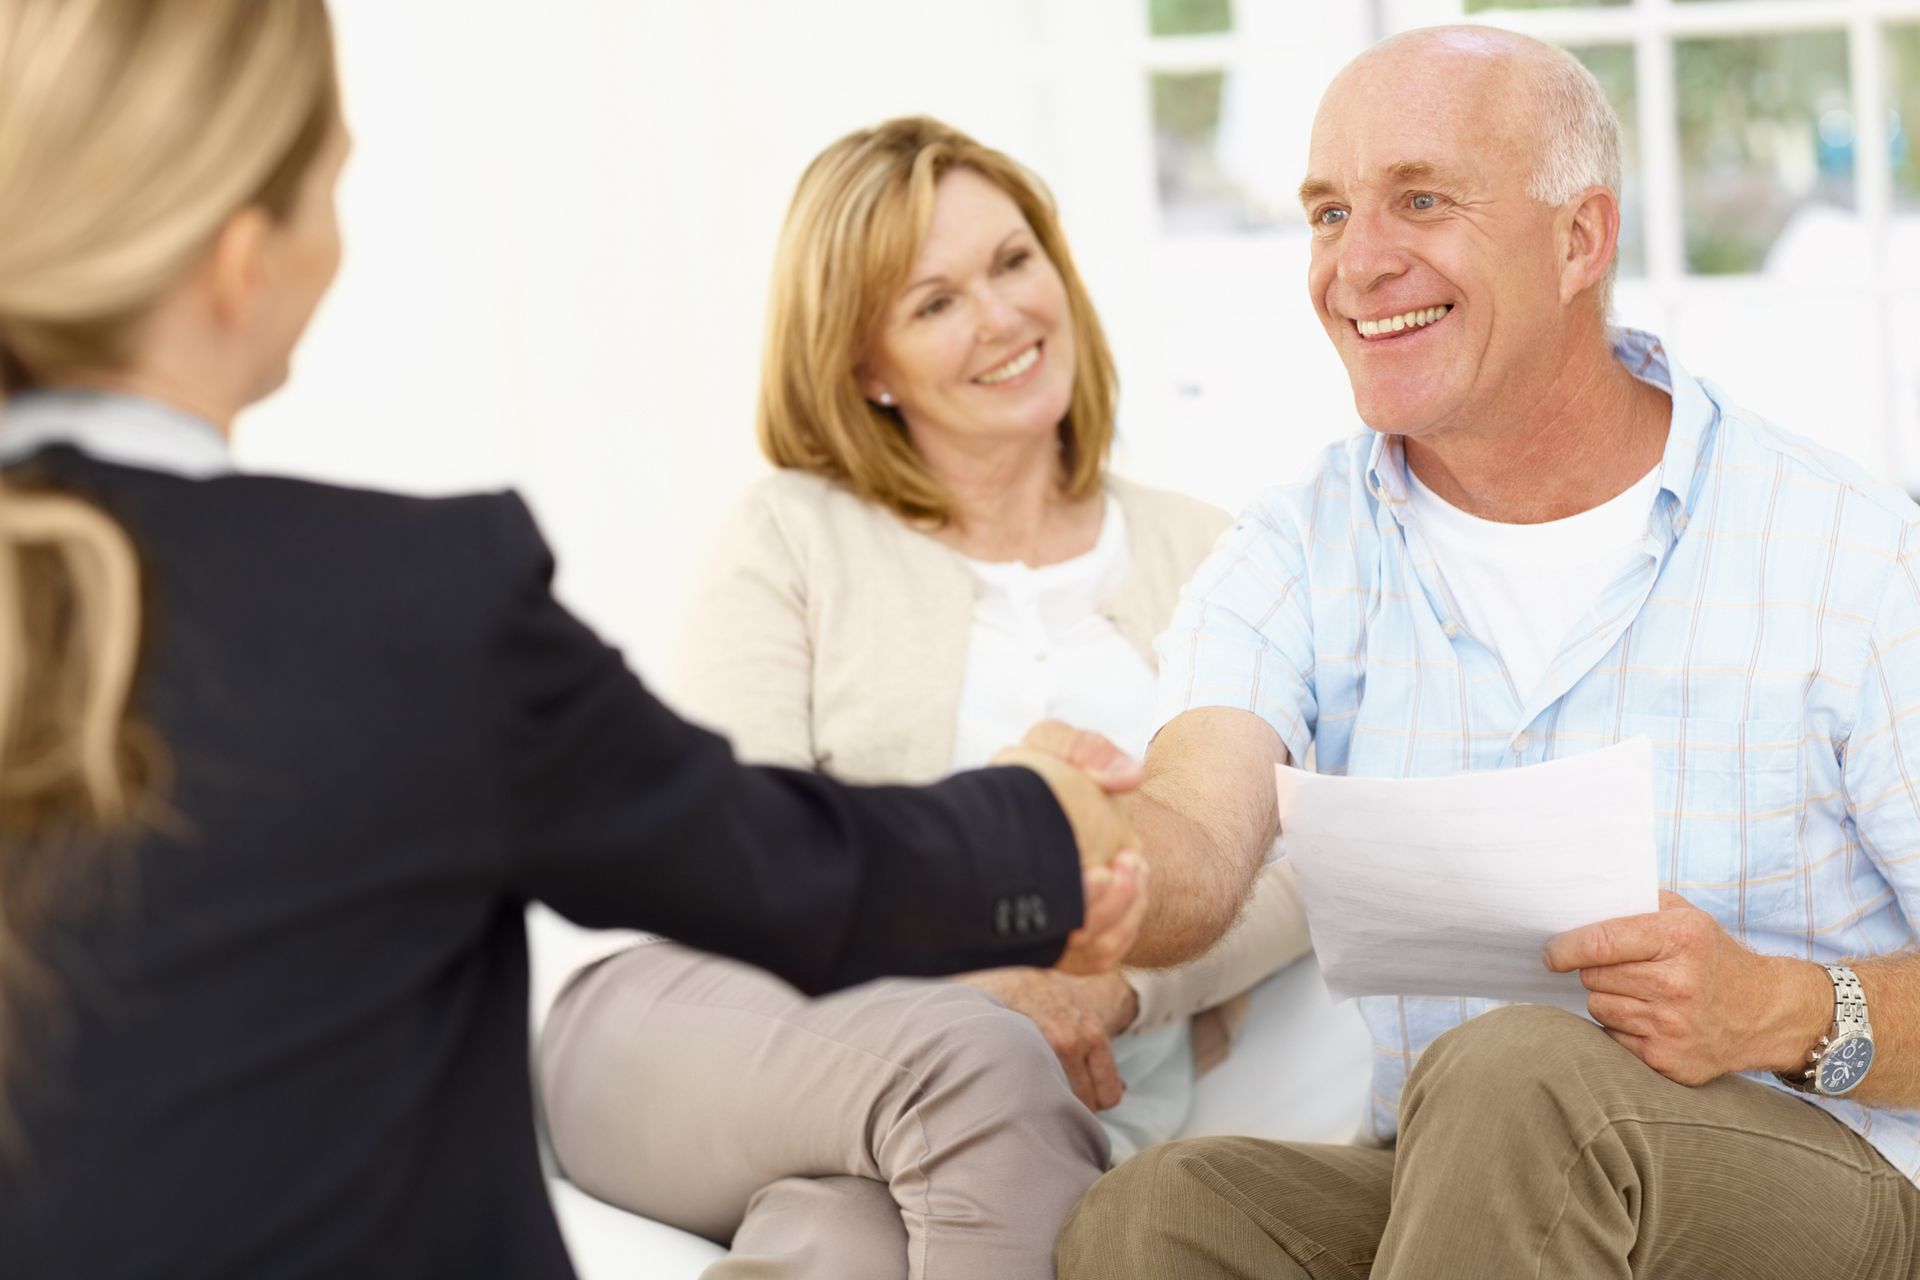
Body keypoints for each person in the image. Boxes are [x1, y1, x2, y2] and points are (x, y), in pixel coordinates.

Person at [0, 4, 1148, 1277]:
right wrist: (1041, 829)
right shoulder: (400, 601)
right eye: (329, 181)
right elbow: (768, 859)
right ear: (241, 255)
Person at [1055, 25, 1920, 1279]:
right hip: (1466, 1193)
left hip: (1831, 1195)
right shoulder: (1300, 547)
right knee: (1156, 1213)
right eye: (1328, 212)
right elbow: (1193, 828)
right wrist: (1075, 839)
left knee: (1523, 1078)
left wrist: (1780, 1007)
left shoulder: (1852, 552)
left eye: (1420, 199)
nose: (1359, 264)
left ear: (1581, 239)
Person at [537, 116, 1311, 1280]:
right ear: (864, 364)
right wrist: (988, 982)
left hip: (1050, 1103)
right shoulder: (793, 534)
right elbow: (736, 854)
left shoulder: (1215, 555)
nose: (1000, 317)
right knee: (979, 1057)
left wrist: (1118, 984)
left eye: (1012, 262)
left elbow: (1299, 856)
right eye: (933, 301)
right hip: (714, 1033)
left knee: (846, 1238)